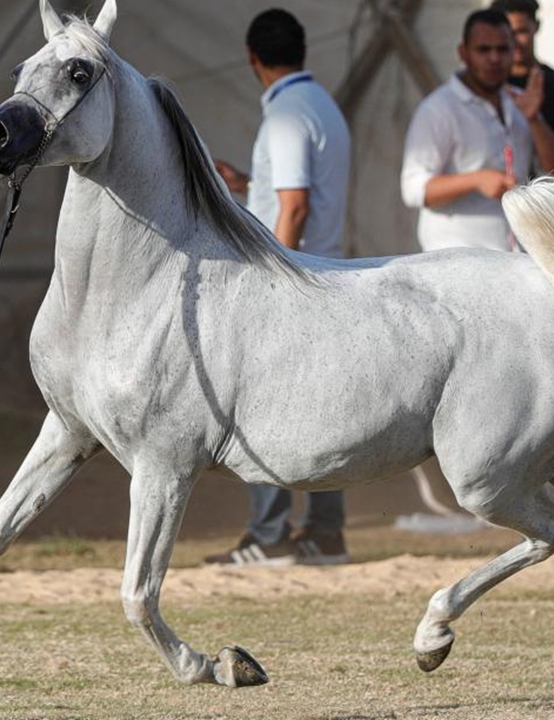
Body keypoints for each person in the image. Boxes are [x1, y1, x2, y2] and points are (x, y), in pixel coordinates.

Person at [206, 9, 351, 566]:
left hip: (294, 280)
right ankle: (325, 532)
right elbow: (289, 193)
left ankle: (269, 535)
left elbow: (295, 206)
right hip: (325, 271)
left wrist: (275, 279)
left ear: (252, 58)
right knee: (324, 416)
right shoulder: (321, 107)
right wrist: (249, 184)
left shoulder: (286, 117)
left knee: (259, 413)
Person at [400, 8, 554, 252]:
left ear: (514, 52)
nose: (494, 58)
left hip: (515, 258)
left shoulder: (519, 102)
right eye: (483, 50)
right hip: (456, 262)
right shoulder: (438, 110)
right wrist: (475, 180)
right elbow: (413, 190)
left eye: (502, 49)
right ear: (463, 53)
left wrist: (534, 120)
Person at [489, 0, 554, 174]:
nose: (514, 41)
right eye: (507, 33)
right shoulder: (484, 91)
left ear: (537, 26)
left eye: (521, 31)